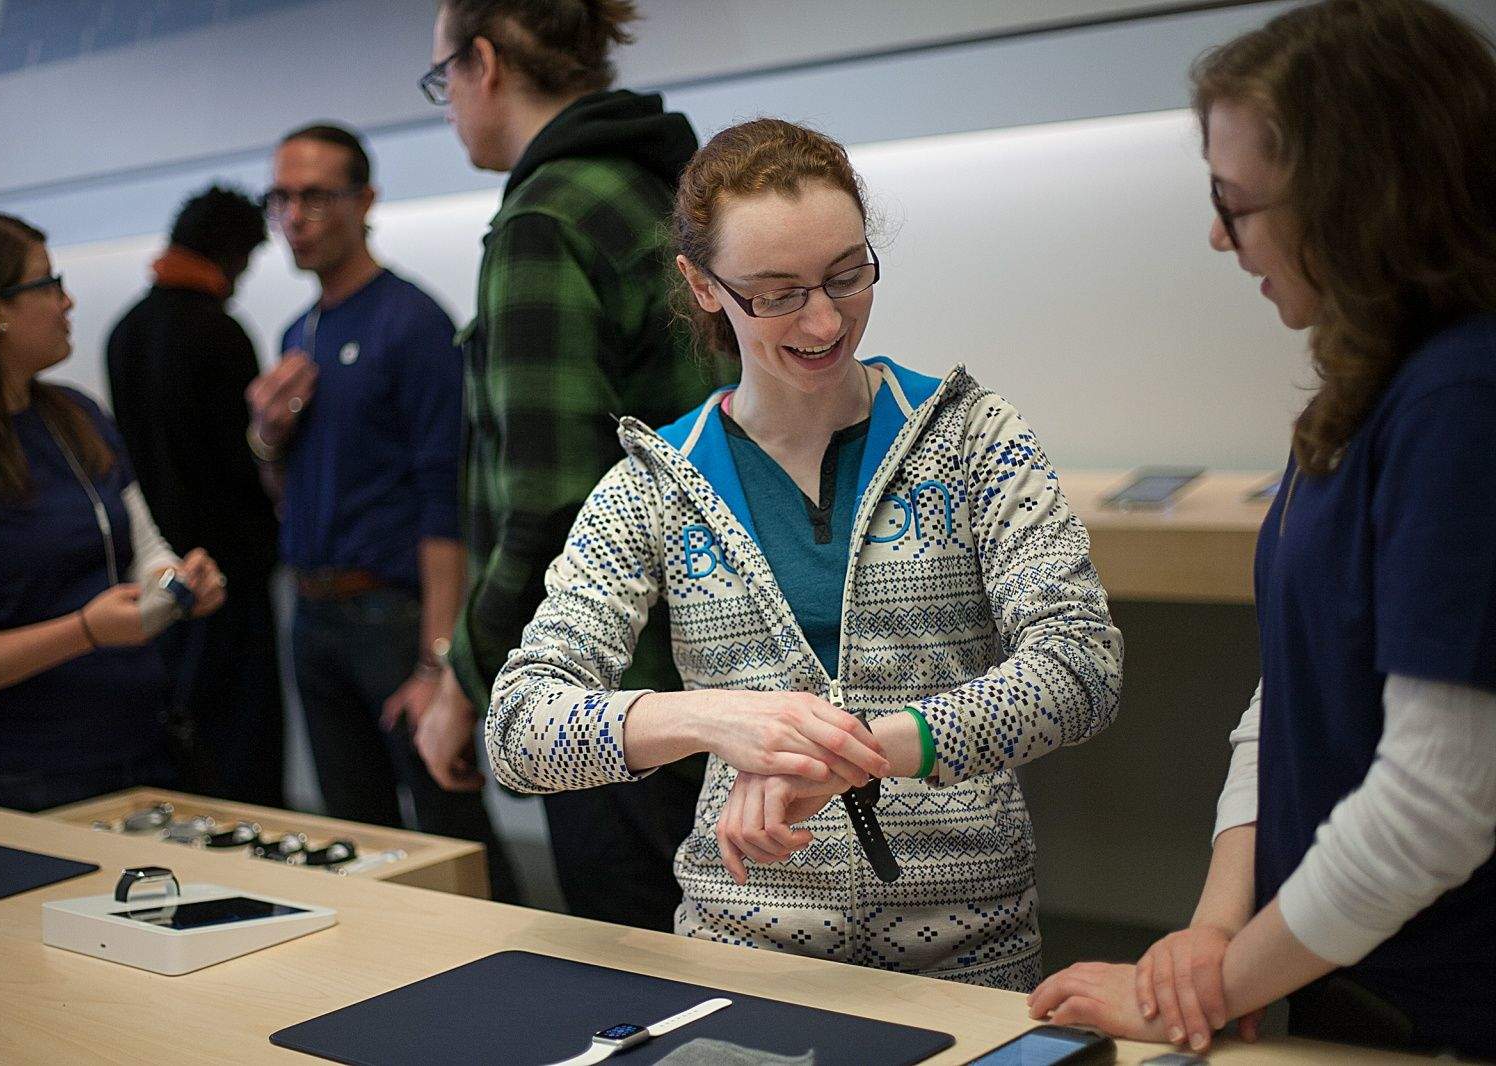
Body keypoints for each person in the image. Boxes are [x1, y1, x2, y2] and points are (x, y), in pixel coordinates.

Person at [486, 119, 1123, 984]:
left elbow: (1080, 667)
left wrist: (869, 746)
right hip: (742, 953)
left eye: (847, 275)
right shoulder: (656, 484)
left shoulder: (973, 436)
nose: (825, 320)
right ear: (702, 286)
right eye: (777, 293)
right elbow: (521, 728)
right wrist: (711, 719)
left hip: (970, 956)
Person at [1028, 1, 1496, 1058]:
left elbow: (1441, 797)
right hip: (1335, 966)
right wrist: (1214, 930)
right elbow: (1292, 689)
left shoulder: (1462, 400)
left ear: (1351, 201)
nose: (1216, 234)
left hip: (1449, 1008)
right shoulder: (1360, 384)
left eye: (1233, 204)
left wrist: (1192, 990)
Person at [413, 0, 719, 930]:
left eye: (442, 80)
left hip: (615, 685)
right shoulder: (666, 193)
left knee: (640, 966)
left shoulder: (544, 222)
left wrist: (466, 685)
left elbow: (549, 513)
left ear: (484, 64)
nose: (450, 102)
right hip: (726, 657)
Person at [246, 123, 516, 900]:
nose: (295, 216)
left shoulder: (413, 324)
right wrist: (267, 440)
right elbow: (291, 491)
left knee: (448, 824)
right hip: (314, 610)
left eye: (316, 196)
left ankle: (512, 985)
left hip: (396, 618)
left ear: (364, 201)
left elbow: (448, 501)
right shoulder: (300, 332)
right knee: (352, 836)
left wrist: (439, 660)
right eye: (282, 199)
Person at [0, 213, 226, 812]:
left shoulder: (75, 415)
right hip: (9, 783)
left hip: (140, 753)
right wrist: (83, 632)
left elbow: (145, 550)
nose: (67, 301)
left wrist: (176, 584)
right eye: (48, 284)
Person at [105, 185, 285, 807]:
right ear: (231, 253)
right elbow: (240, 462)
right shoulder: (220, 332)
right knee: (246, 742)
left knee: (186, 735)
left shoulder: (125, 329)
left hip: (159, 572)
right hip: (229, 568)